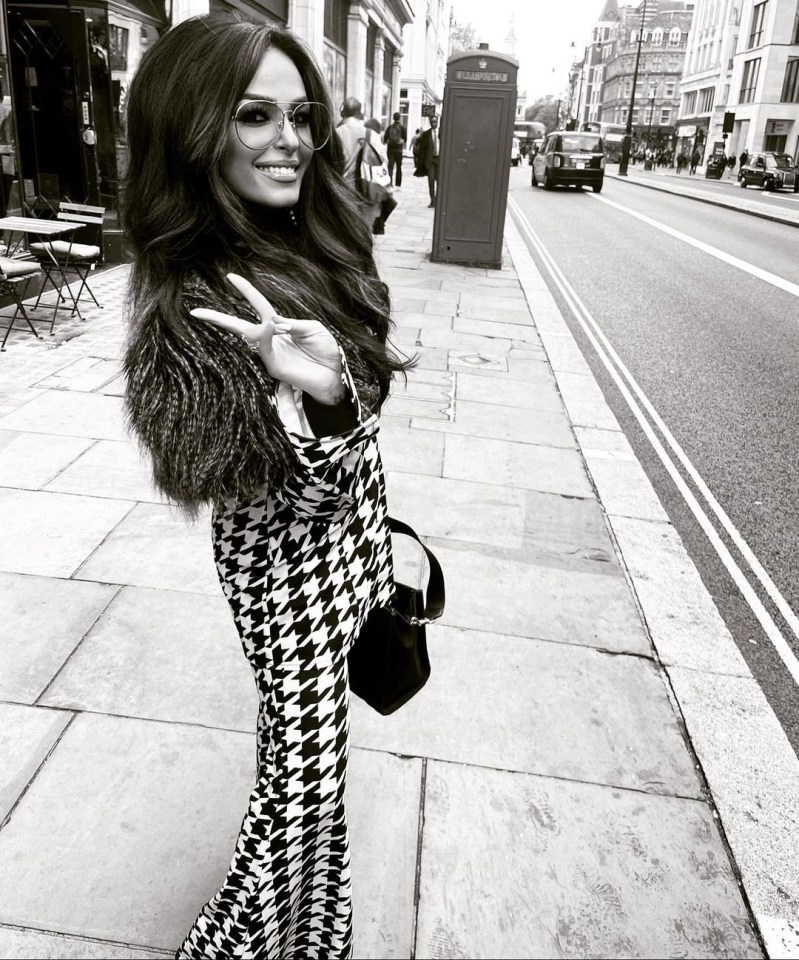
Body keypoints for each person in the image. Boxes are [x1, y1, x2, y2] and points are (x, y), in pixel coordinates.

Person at [121, 14, 412, 959]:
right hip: (287, 582)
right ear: (194, 127)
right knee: (295, 798)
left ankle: (316, 941)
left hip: (354, 560)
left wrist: (346, 381)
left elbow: (360, 390)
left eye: (299, 115)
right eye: (253, 116)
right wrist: (325, 398)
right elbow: (271, 492)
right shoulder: (198, 297)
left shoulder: (307, 232)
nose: (289, 140)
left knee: (313, 791)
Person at [336, 97, 382, 232]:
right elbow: (383, 159)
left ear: (343, 112)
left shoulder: (336, 133)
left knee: (344, 228)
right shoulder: (370, 134)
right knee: (364, 228)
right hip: (367, 186)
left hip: (343, 187)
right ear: (359, 112)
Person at [414, 115, 440, 208]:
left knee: (439, 181)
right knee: (431, 181)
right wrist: (420, 161)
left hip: (439, 160)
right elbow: (420, 147)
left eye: (435, 121)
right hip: (430, 160)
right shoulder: (426, 134)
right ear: (430, 123)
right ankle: (432, 201)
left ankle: (438, 200)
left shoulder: (442, 133)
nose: (434, 123)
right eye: (432, 122)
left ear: (437, 122)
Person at [382, 111, 406, 189]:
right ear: (400, 118)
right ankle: (398, 184)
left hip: (390, 150)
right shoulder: (403, 128)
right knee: (399, 167)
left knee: (390, 167)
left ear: (393, 118)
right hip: (399, 150)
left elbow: (385, 139)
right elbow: (405, 139)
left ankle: (390, 184)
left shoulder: (389, 127)